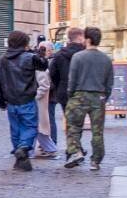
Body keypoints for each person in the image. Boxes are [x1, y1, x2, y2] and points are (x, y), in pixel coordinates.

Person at [0, 31, 48, 171]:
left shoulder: (1, 61)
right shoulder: (29, 57)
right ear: (24, 43)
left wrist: (1, 102)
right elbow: (43, 66)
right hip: (27, 100)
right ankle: (23, 149)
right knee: (29, 127)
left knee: (15, 130)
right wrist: (41, 55)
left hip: (11, 102)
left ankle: (20, 159)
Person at [63, 27, 114, 171]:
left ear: (88, 39)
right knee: (97, 131)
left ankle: (76, 151)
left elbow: (72, 80)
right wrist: (105, 96)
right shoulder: (106, 59)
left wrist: (70, 94)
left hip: (79, 95)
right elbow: (109, 83)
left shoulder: (78, 57)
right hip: (98, 96)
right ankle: (96, 160)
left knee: (73, 127)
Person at [47, 27, 85, 156]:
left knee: (69, 121)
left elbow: (52, 74)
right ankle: (75, 147)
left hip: (64, 92)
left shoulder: (59, 55)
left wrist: (59, 87)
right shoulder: (85, 54)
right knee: (79, 122)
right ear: (80, 37)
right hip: (82, 91)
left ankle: (74, 147)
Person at [33, 42, 59, 158]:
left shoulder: (51, 62)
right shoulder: (41, 61)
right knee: (41, 123)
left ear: (49, 50)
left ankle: (51, 144)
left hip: (50, 97)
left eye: (43, 49)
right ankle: (45, 146)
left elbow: (51, 82)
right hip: (45, 97)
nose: (41, 51)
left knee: (48, 122)